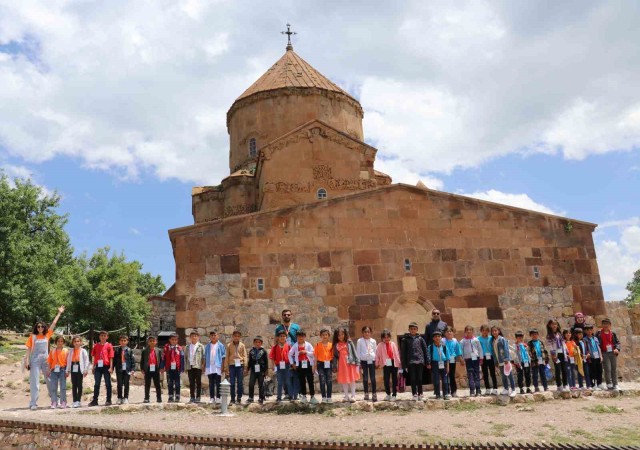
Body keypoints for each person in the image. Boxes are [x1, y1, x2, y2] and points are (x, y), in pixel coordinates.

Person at [25, 305, 65, 410]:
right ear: (36, 328)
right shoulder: (32, 337)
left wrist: (59, 313)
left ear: (44, 327)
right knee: (34, 381)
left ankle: (55, 400)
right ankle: (33, 402)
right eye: (38, 326)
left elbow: (53, 324)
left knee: (50, 380)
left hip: (46, 360)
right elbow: (28, 350)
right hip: (34, 360)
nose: (40, 328)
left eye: (42, 326)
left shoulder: (47, 335)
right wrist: (27, 361)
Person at [274, 309, 300, 399]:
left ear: (291, 315)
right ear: (282, 316)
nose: (286, 316)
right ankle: (287, 394)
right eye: (284, 315)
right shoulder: (278, 328)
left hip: (294, 354)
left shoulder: (296, 327)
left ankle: (297, 393)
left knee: (295, 374)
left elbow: (299, 339)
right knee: (285, 374)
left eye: (288, 315)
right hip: (283, 354)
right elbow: (276, 340)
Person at [400, 322, 428, 401]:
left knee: (419, 378)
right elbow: (403, 353)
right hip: (411, 361)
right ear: (409, 330)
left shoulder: (420, 339)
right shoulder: (405, 340)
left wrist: (427, 361)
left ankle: (420, 393)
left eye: (414, 329)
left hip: (420, 361)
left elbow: (425, 350)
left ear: (417, 330)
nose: (413, 330)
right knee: (413, 378)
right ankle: (414, 394)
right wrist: (404, 365)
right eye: (411, 329)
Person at [332, 326, 360, 402]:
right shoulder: (336, 345)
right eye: (339, 335)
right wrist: (334, 365)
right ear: (336, 336)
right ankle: (346, 396)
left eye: (342, 334)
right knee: (344, 380)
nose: (340, 336)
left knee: (352, 379)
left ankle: (353, 396)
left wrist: (357, 362)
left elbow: (354, 352)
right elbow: (334, 356)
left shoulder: (349, 342)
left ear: (345, 334)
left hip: (350, 364)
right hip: (342, 365)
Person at [289, 329, 316, 404]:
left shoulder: (308, 344)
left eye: (302, 336)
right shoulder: (295, 346)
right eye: (299, 336)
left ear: (305, 337)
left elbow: (313, 353)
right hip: (300, 365)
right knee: (302, 381)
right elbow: (290, 354)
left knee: (310, 381)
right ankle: (304, 396)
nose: (301, 338)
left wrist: (306, 352)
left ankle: (312, 396)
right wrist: (292, 364)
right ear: (297, 337)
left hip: (308, 364)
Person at [88, 330, 114, 407]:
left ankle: (108, 400)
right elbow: (94, 356)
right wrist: (93, 367)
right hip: (98, 366)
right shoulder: (96, 346)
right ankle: (95, 400)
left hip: (106, 366)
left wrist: (111, 367)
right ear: (99, 337)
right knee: (97, 384)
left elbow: (111, 357)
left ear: (107, 337)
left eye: (104, 336)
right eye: (101, 335)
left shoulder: (109, 345)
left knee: (108, 383)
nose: (103, 337)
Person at [375, 329, 401, 401]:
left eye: (388, 337)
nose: (386, 339)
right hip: (386, 363)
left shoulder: (393, 344)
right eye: (384, 337)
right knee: (386, 379)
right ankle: (388, 394)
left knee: (394, 379)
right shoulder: (380, 345)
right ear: (382, 338)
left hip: (393, 362)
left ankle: (394, 395)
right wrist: (376, 363)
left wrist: (399, 363)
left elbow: (396, 353)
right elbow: (377, 355)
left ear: (390, 337)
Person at [490, 325, 516, 397]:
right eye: (493, 331)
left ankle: (513, 389)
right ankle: (506, 388)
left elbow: (506, 349)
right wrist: (496, 362)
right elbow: (494, 352)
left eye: (496, 331)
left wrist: (506, 358)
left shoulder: (502, 339)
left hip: (505, 360)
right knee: (503, 376)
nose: (494, 332)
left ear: (498, 331)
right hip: (499, 361)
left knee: (509, 375)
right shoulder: (493, 341)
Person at [596, 318, 621, 391]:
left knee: (614, 369)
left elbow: (617, 342)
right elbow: (597, 343)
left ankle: (615, 384)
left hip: (612, 352)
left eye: (607, 324)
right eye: (604, 324)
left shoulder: (612, 333)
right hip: (604, 352)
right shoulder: (599, 333)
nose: (606, 325)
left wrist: (617, 349)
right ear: (602, 325)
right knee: (607, 368)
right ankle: (609, 383)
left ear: (610, 325)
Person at [269, 330, 293, 403]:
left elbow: (291, 356)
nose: (282, 337)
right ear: (278, 338)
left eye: (284, 336)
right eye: (281, 336)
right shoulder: (275, 347)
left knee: (288, 381)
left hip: (287, 366)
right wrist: (272, 365)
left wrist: (292, 364)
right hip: (279, 366)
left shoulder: (288, 346)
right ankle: (279, 397)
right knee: (280, 382)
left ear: (286, 337)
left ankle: (290, 396)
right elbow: (272, 357)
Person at [66, 335, 89, 408]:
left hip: (80, 367)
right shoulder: (70, 351)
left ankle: (78, 401)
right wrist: (67, 370)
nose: (76, 343)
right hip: (73, 366)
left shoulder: (83, 351)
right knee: (74, 384)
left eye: (78, 341)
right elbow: (68, 361)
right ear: (73, 342)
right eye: (75, 341)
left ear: (80, 342)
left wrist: (86, 369)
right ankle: (74, 401)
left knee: (79, 384)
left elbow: (86, 360)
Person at [546, 319, 569, 392]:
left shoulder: (559, 334)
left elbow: (563, 343)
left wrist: (566, 352)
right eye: (552, 324)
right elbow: (550, 346)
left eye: (555, 324)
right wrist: (553, 355)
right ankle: (559, 385)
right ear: (550, 325)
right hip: (556, 354)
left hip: (562, 353)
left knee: (564, 370)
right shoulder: (549, 335)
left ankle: (565, 384)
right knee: (558, 370)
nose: (554, 325)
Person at [46, 335, 69, 408]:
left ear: (64, 342)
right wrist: (49, 370)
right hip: (54, 370)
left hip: (63, 369)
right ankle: (54, 402)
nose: (60, 342)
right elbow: (50, 361)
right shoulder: (52, 351)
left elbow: (68, 362)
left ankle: (63, 402)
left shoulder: (66, 351)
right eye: (58, 341)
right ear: (56, 342)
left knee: (63, 387)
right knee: (53, 387)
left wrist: (67, 371)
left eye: (61, 341)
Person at [460, 325, 483, 397]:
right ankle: (472, 390)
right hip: (468, 360)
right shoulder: (462, 341)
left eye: (470, 330)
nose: (469, 331)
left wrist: (481, 358)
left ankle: (478, 390)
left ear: (472, 331)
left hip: (476, 359)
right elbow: (461, 351)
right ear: (465, 331)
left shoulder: (476, 340)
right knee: (470, 375)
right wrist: (462, 359)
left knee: (477, 374)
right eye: (467, 330)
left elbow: (480, 349)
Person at [162, 333, 185, 403]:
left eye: (175, 340)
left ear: (177, 340)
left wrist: (182, 368)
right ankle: (171, 396)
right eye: (172, 340)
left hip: (177, 368)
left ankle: (177, 396)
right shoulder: (166, 348)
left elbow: (182, 358)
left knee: (177, 383)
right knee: (170, 383)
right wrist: (162, 367)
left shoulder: (180, 348)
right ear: (169, 340)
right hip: (169, 368)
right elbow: (163, 358)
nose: (174, 341)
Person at [226, 330, 247, 404]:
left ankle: (239, 398)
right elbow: (227, 357)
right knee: (232, 383)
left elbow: (244, 356)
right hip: (232, 366)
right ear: (232, 337)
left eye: (238, 336)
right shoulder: (229, 345)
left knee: (240, 383)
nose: (236, 338)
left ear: (240, 337)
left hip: (240, 365)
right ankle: (232, 399)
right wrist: (226, 368)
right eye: (235, 336)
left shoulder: (242, 345)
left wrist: (245, 367)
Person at [205, 330, 226, 404]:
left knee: (218, 383)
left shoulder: (220, 345)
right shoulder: (207, 346)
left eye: (215, 335)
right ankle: (211, 398)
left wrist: (222, 366)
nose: (213, 337)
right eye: (212, 336)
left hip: (217, 366)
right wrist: (204, 366)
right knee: (211, 383)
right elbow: (205, 356)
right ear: (210, 337)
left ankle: (218, 397)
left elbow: (223, 357)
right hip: (210, 366)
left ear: (218, 336)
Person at [356, 326, 377, 402]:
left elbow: (375, 351)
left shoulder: (373, 341)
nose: (367, 333)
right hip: (364, 361)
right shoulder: (360, 341)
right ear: (362, 333)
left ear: (370, 333)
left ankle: (374, 393)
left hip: (372, 361)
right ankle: (366, 393)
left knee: (373, 378)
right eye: (365, 332)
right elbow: (358, 352)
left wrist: (376, 360)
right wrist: (358, 363)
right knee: (365, 378)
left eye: (368, 332)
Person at [113, 335, 135, 405]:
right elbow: (114, 361)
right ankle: (119, 397)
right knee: (119, 384)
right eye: (121, 340)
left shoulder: (130, 350)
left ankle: (126, 398)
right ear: (119, 341)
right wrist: (112, 368)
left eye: (124, 340)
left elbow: (132, 360)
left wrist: (132, 369)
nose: (123, 342)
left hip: (127, 369)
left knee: (126, 384)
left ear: (127, 341)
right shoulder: (116, 350)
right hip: (119, 369)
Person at [184, 330, 205, 403]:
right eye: (192, 336)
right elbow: (186, 358)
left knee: (198, 382)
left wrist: (203, 366)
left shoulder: (201, 346)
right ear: (190, 337)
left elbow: (203, 357)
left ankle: (198, 397)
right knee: (191, 382)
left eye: (195, 336)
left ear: (198, 337)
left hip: (198, 366)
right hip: (190, 366)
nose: (194, 337)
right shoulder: (187, 347)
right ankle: (192, 396)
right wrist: (185, 367)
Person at [427, 330, 449, 400]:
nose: (437, 338)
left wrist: (448, 367)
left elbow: (448, 358)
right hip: (434, 364)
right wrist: (429, 364)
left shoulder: (444, 347)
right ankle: (437, 394)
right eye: (435, 336)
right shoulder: (430, 347)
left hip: (443, 363)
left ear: (441, 337)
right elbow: (428, 357)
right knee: (436, 380)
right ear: (433, 338)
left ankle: (445, 394)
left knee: (445, 380)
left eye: (439, 336)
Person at [313, 327, 333, 403]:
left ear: (328, 335)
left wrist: (334, 365)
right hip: (320, 364)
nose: (325, 336)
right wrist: (314, 366)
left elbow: (333, 356)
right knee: (322, 380)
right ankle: (324, 397)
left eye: (326, 335)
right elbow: (315, 357)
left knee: (329, 381)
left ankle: (329, 397)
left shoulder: (331, 345)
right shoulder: (317, 345)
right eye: (323, 335)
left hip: (328, 363)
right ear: (320, 336)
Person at [246, 336, 268, 404]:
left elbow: (266, 361)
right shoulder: (251, 351)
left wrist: (266, 371)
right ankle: (250, 397)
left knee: (261, 384)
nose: (257, 343)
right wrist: (247, 368)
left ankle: (261, 398)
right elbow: (249, 361)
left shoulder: (263, 351)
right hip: (253, 370)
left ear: (261, 343)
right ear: (254, 343)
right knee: (251, 383)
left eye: (259, 342)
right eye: (256, 342)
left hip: (261, 370)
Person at [140, 336, 162, 403]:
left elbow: (161, 360)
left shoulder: (159, 350)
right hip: (148, 368)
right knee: (147, 384)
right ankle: (146, 398)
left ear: (156, 342)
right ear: (148, 342)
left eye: (153, 341)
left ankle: (159, 398)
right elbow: (142, 360)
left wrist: (161, 368)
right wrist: (142, 369)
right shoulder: (144, 350)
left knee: (157, 384)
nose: (152, 342)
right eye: (150, 341)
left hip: (156, 368)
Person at [443, 326, 462, 397]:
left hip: (452, 360)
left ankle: (453, 391)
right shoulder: (443, 340)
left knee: (452, 375)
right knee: (445, 376)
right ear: (445, 333)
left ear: (453, 333)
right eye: (447, 331)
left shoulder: (455, 340)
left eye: (450, 331)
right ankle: (446, 391)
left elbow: (458, 350)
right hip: (444, 360)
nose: (449, 332)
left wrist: (460, 358)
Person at [478, 324, 498, 395]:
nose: (485, 332)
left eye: (486, 331)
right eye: (483, 330)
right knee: (485, 374)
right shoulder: (478, 339)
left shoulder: (491, 338)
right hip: (483, 357)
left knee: (493, 373)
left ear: (488, 331)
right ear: (481, 331)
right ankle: (487, 389)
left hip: (491, 357)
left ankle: (495, 388)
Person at [584, 324, 603, 390]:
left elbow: (598, 347)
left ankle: (599, 383)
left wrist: (601, 356)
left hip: (597, 356)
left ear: (592, 330)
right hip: (591, 357)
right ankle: (593, 384)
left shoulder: (595, 338)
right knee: (592, 371)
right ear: (585, 331)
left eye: (590, 330)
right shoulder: (585, 339)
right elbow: (585, 348)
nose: (589, 331)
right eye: (587, 330)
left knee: (599, 370)